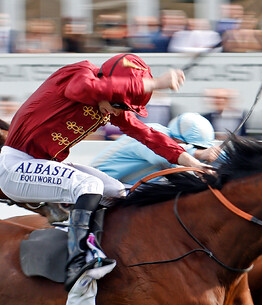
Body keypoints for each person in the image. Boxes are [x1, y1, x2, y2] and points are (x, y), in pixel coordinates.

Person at [0, 53, 208, 290]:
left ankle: (107, 247)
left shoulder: (107, 105)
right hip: (14, 166)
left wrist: (193, 162)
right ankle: (78, 261)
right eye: (118, 105)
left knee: (115, 190)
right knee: (89, 186)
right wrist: (154, 83)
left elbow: (148, 135)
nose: (117, 113)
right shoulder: (79, 74)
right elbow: (89, 87)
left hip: (44, 165)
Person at [91, 112, 221, 185]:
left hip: (126, 187)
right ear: (179, 140)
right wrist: (200, 154)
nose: (196, 150)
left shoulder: (174, 140)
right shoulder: (155, 133)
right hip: (98, 185)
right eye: (193, 147)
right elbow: (166, 152)